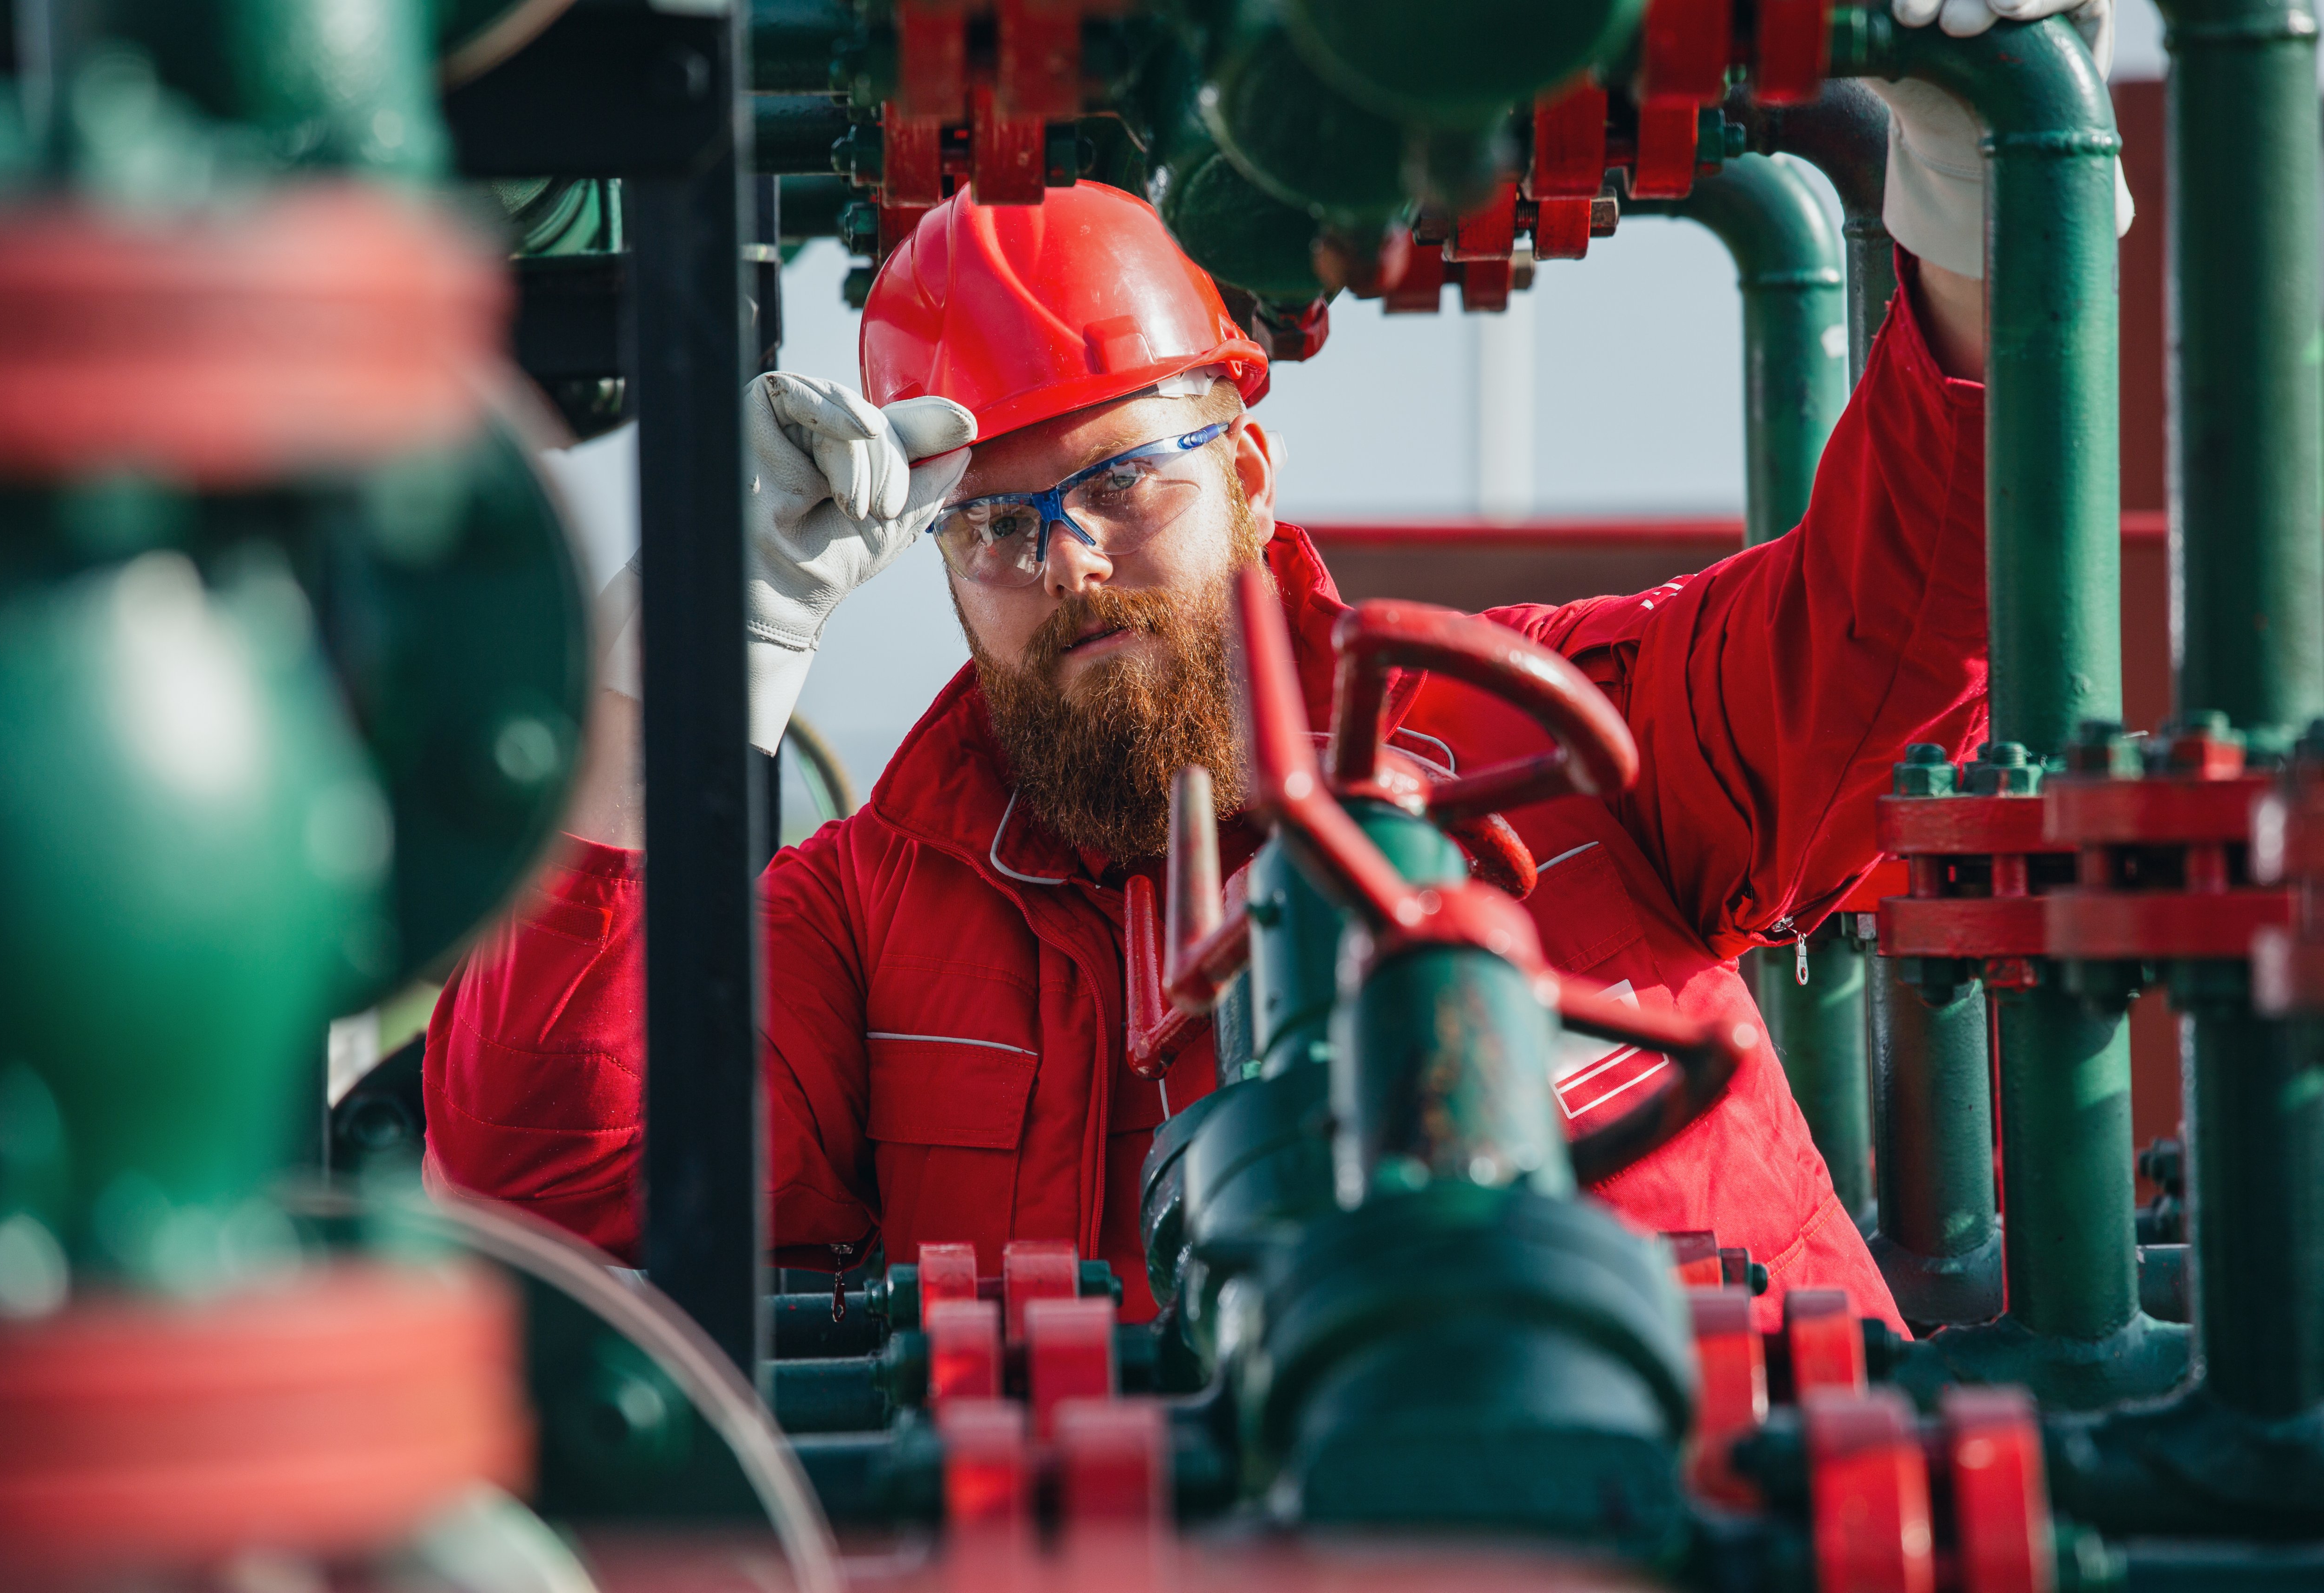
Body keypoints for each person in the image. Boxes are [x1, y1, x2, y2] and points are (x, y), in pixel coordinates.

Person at [419, 0, 2122, 1329]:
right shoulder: (866, 921)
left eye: (1123, 479)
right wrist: (679, 676)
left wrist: (1985, 196)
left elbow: (1896, 638)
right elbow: (559, 1191)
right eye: (996, 526)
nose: (1066, 559)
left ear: (1245, 471)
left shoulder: (1546, 731)